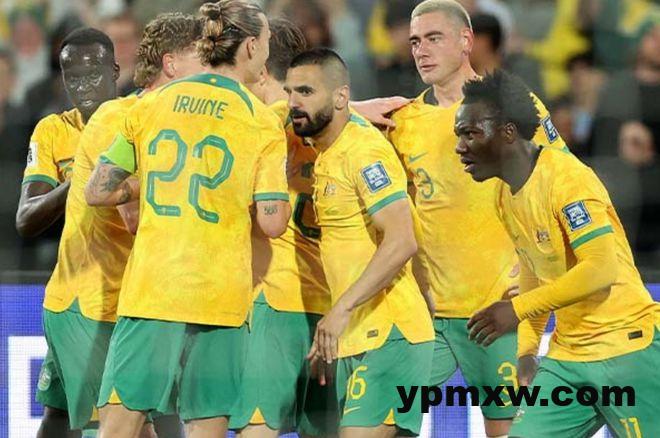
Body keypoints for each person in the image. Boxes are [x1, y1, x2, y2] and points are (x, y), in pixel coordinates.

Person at [85, 1, 290, 436]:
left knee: (118, 428)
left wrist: (146, 185)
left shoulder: (149, 106)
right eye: (268, 42)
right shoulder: (260, 122)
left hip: (152, 291)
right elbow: (273, 223)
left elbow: (97, 191)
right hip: (221, 299)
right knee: (205, 427)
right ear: (251, 47)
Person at [387, 1, 567, 435]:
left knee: (505, 430)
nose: (421, 50)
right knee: (383, 423)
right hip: (426, 315)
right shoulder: (403, 121)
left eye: (433, 38)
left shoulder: (515, 107)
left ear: (466, 41)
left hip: (498, 311)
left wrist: (538, 268)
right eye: (415, 41)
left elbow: (564, 184)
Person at [457, 69, 660, 438]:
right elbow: (534, 268)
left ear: (507, 132)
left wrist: (516, 310)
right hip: (568, 357)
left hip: (628, 346)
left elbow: (601, 269)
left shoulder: (567, 179)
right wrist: (527, 349)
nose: (460, 146)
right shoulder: (505, 194)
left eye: (470, 133)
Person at [40, 13, 205, 438]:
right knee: (109, 428)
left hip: (127, 303)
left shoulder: (153, 117)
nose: (209, 73)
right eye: (201, 60)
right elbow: (131, 218)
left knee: (128, 427)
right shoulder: (119, 118)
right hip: (90, 304)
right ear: (172, 63)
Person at [285, 47, 434, 438]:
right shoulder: (328, 154)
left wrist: (341, 310)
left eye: (306, 91)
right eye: (290, 92)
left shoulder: (364, 151)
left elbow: (402, 240)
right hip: (358, 336)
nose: (294, 103)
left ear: (341, 97)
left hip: (390, 334)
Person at [230, 17, 336, 438]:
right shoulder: (338, 127)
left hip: (274, 300)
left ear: (262, 69)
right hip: (331, 304)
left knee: (258, 428)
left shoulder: (261, 124)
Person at [15, 27, 119, 438]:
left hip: (123, 294)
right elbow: (26, 218)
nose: (83, 86)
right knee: (102, 421)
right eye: (72, 77)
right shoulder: (53, 131)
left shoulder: (135, 124)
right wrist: (79, 182)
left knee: (59, 415)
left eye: (93, 74)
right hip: (80, 299)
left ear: (115, 70)